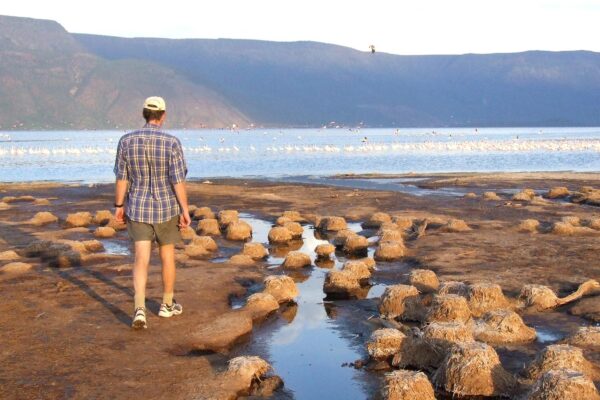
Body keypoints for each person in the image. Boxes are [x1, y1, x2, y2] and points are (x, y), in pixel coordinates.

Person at [113, 96, 191, 329]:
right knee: (167, 256)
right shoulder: (172, 142)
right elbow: (177, 180)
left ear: (144, 113)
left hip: (137, 207)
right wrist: (185, 210)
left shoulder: (126, 140)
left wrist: (118, 207)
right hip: (167, 208)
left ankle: (139, 309)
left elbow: (121, 177)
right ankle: (167, 305)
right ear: (163, 115)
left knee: (141, 258)